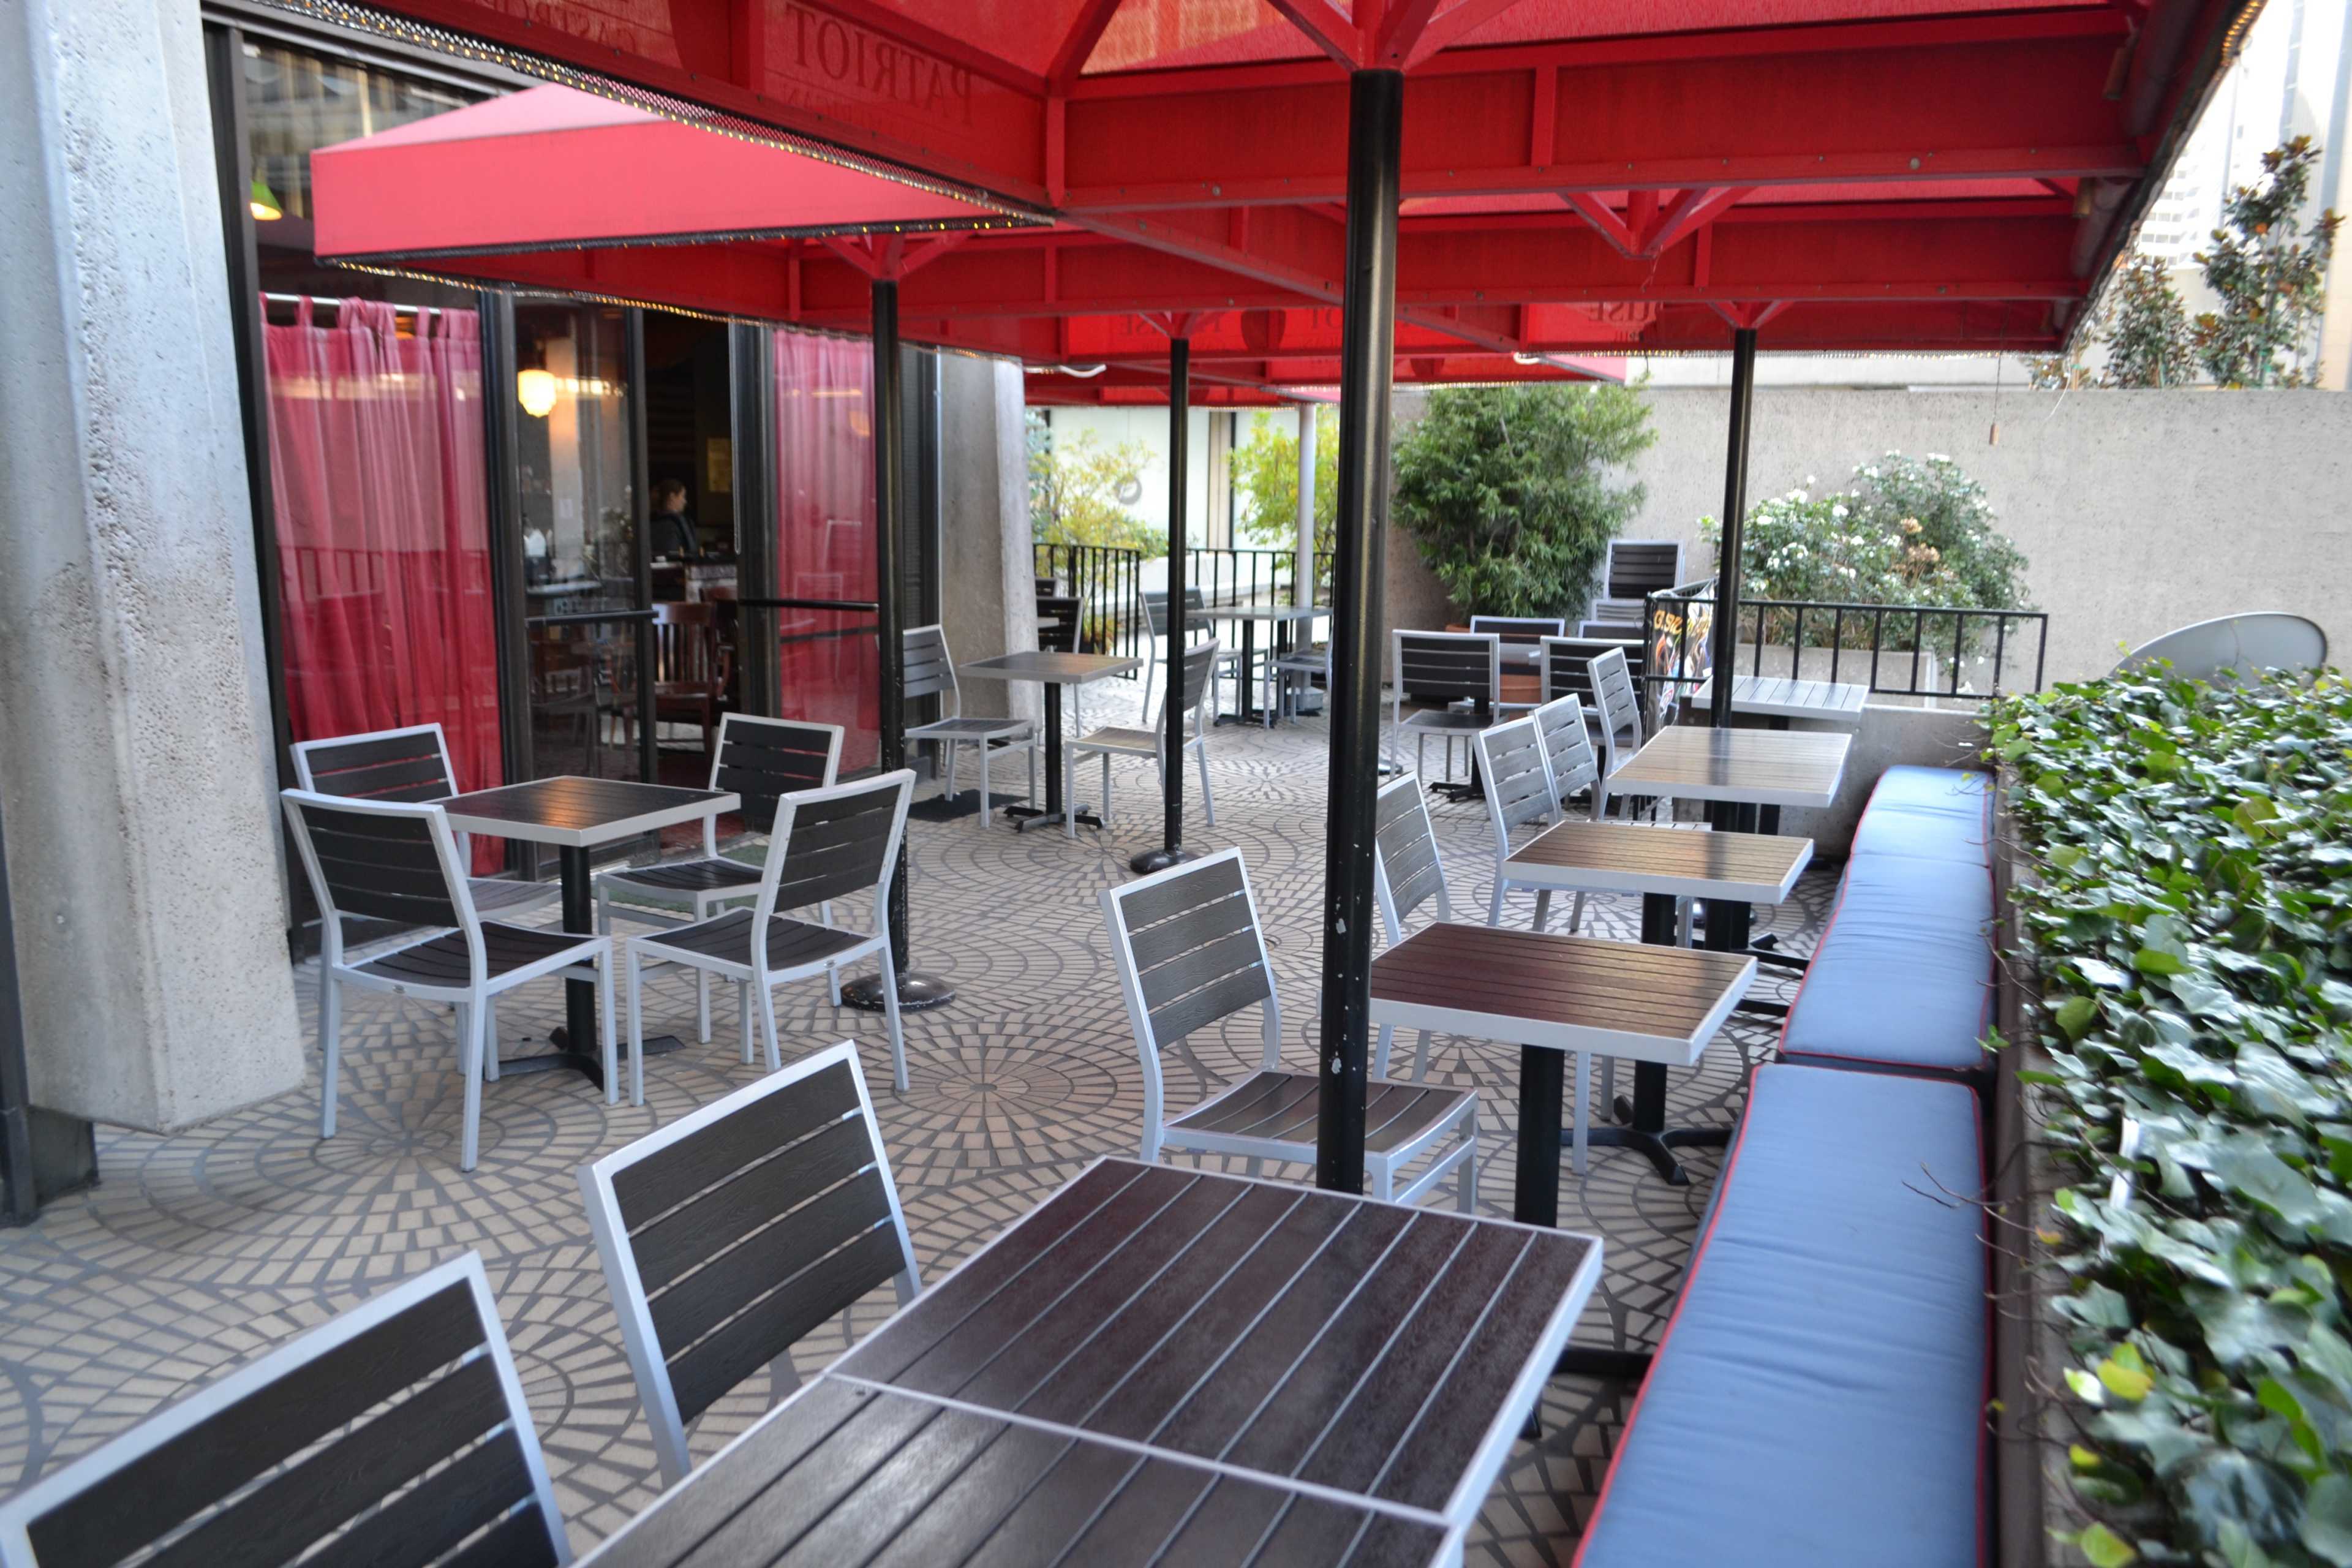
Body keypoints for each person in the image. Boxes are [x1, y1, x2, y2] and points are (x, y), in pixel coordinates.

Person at [651, 478, 702, 560]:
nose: (685, 502)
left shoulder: (653, 521)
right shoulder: (674, 524)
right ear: (672, 497)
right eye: (683, 496)